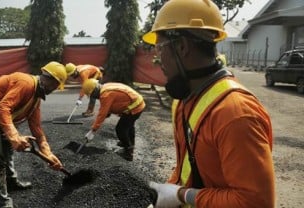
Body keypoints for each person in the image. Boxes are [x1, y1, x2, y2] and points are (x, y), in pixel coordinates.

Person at [142, 0, 275, 207]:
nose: (158, 59)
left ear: (182, 47)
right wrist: (168, 192)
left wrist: (182, 195)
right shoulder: (185, 100)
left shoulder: (236, 114)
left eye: (159, 48)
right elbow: (188, 167)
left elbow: (255, 202)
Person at [0, 61, 67, 208]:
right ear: (51, 80)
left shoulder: (35, 99)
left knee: (8, 151)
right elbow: (3, 108)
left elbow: (37, 128)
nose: (55, 89)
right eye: (56, 86)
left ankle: (11, 182)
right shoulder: (26, 83)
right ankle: (2, 202)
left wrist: (48, 153)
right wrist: (14, 136)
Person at [81, 78, 145, 161]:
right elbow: (111, 104)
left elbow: (102, 114)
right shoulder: (105, 87)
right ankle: (129, 143)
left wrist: (93, 130)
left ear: (95, 91)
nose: (93, 97)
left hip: (135, 107)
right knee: (129, 126)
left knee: (120, 129)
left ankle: (129, 152)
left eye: (92, 95)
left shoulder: (105, 95)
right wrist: (108, 112)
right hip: (137, 103)